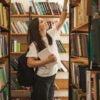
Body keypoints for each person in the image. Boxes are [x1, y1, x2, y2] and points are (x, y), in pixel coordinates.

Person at [26, 0, 68, 100]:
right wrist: (47, 60)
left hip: (52, 75)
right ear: (37, 28)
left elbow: (62, 20)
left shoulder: (50, 33)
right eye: (41, 21)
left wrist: (65, 3)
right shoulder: (34, 44)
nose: (44, 21)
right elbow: (29, 63)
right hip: (42, 79)